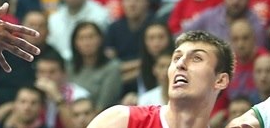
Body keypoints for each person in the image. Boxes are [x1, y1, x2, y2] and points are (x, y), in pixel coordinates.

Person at [87, 30, 233, 128]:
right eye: (176, 57)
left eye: (196, 58)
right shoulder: (122, 120)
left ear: (220, 81)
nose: (180, 63)